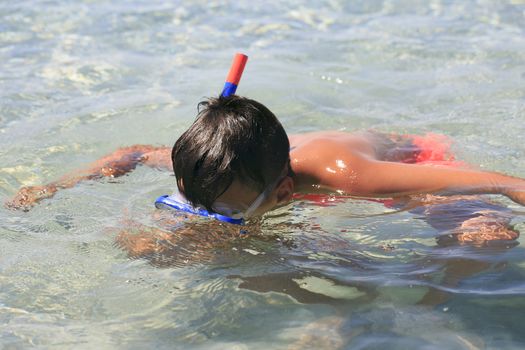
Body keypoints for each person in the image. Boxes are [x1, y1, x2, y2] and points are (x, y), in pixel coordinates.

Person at [6, 95, 525, 244]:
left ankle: (426, 319)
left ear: (281, 190)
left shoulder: (350, 178)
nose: (207, 213)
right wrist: (51, 186)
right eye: (193, 199)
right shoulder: (210, 163)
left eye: (224, 209)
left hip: (408, 159)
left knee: (483, 236)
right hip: (272, 168)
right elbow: (132, 154)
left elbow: (503, 183)